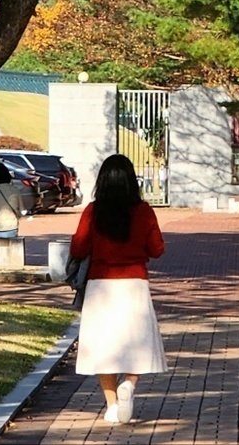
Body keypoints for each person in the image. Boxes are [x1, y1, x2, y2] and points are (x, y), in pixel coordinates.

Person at [69, 153, 167, 425]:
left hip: (100, 285)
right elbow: (157, 249)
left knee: (104, 346)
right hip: (134, 284)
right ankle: (130, 386)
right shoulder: (144, 211)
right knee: (138, 342)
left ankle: (112, 406)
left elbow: (78, 247)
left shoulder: (93, 211)